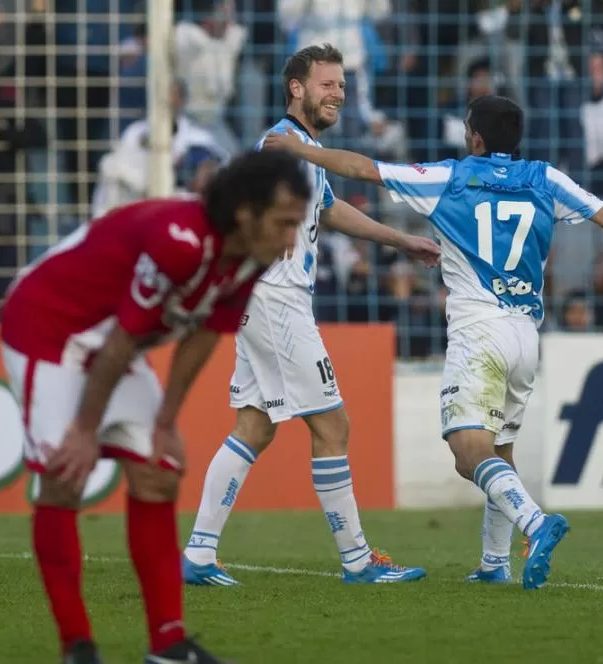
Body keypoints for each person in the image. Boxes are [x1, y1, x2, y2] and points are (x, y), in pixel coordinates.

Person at [263, 95, 603, 589]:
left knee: (469, 453)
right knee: (500, 448)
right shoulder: (545, 178)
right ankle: (494, 565)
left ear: (476, 138)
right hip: (527, 335)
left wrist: (305, 151)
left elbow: (364, 168)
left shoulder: (452, 176)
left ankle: (535, 521)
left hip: (479, 333)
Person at [0, 149, 312, 664]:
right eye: (283, 223)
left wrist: (167, 421)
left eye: (296, 224)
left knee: (159, 471)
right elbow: (124, 341)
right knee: (63, 475)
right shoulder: (180, 241)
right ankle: (77, 645)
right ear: (244, 212)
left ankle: (168, 646)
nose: (289, 239)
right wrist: (84, 428)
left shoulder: (250, 256)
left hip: (110, 341)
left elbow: (207, 334)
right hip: (48, 329)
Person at [181, 44, 437, 586]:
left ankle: (199, 554)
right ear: (296, 87)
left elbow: (329, 210)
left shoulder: (299, 151)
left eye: (342, 85)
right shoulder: (282, 149)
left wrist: (400, 241)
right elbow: (240, 213)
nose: (338, 93)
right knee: (332, 424)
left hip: (265, 297)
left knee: (255, 424)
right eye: (326, 84)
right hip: (275, 298)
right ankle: (357, 560)